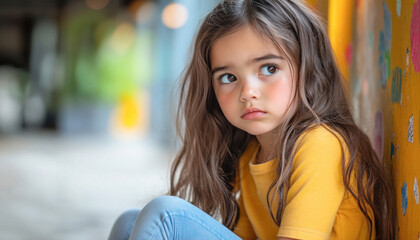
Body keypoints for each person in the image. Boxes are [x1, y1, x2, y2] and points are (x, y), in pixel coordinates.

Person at [108, 0, 396, 239]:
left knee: (165, 216)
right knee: (129, 223)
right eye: (229, 77)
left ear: (308, 68)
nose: (248, 92)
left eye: (268, 68)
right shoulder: (251, 157)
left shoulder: (320, 143)